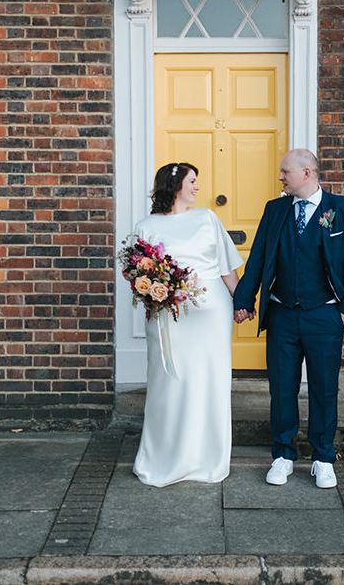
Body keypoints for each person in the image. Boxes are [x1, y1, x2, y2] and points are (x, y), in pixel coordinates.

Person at [233, 149, 344, 489]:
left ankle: (323, 458)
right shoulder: (275, 210)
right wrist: (244, 300)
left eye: (285, 171)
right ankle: (283, 455)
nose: (281, 177)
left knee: (323, 390)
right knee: (282, 389)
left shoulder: (342, 210)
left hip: (325, 316)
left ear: (307, 173)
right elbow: (259, 257)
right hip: (282, 315)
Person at [132, 162, 243, 487]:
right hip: (168, 316)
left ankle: (207, 457)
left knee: (209, 382)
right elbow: (138, 273)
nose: (197, 187)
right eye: (193, 181)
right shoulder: (145, 225)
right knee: (170, 382)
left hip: (211, 316)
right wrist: (158, 293)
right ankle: (165, 456)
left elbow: (226, 268)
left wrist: (242, 303)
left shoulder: (208, 218)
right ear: (175, 183)